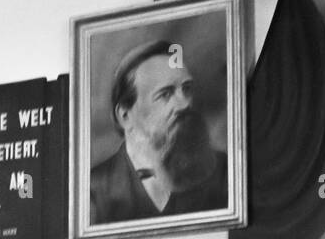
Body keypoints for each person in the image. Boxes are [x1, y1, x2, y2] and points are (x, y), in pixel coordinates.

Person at [89, 39, 229, 225]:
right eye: (165, 94)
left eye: (186, 90)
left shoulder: (224, 172)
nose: (184, 104)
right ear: (125, 116)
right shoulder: (93, 190)